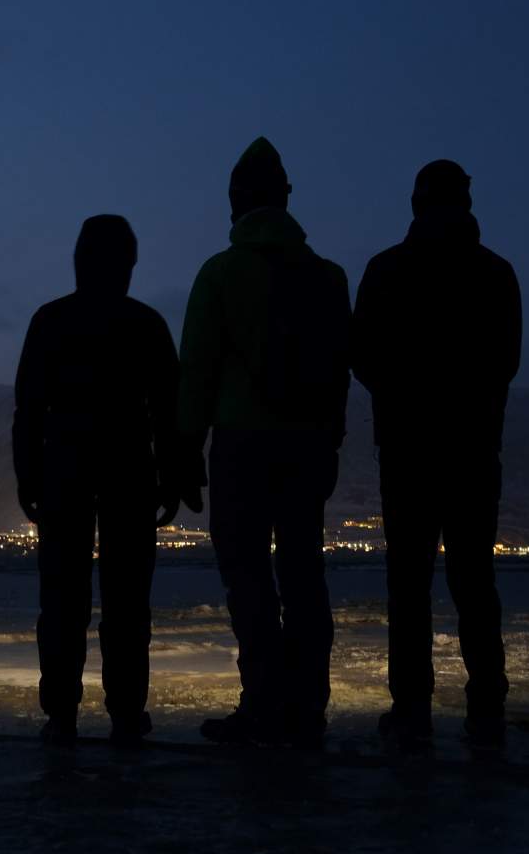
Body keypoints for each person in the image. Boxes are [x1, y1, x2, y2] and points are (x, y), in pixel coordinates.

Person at [177, 137, 351, 749]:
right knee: (304, 573)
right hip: (305, 447)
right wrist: (330, 440)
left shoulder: (221, 274)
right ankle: (306, 706)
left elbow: (195, 371)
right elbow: (338, 373)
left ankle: (263, 704)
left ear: (235, 203)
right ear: (285, 200)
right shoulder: (328, 279)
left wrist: (183, 456)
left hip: (241, 445)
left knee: (248, 577)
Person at [351, 160, 521, 750]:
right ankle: (486, 707)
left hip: (407, 448)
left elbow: (363, 356)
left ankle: (412, 709)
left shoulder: (387, 270)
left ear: (417, 203)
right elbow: (506, 361)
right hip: (474, 447)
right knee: (474, 578)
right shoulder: (495, 274)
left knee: (410, 583)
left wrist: (404, 397)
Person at [12, 214, 196, 748]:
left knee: (64, 599)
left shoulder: (51, 320)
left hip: (65, 474)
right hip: (129, 473)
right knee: (126, 601)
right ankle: (125, 712)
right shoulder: (146, 323)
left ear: (79, 260)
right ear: (128, 265)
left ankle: (63, 713)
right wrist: (171, 476)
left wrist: (30, 475)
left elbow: (30, 409)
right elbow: (169, 411)